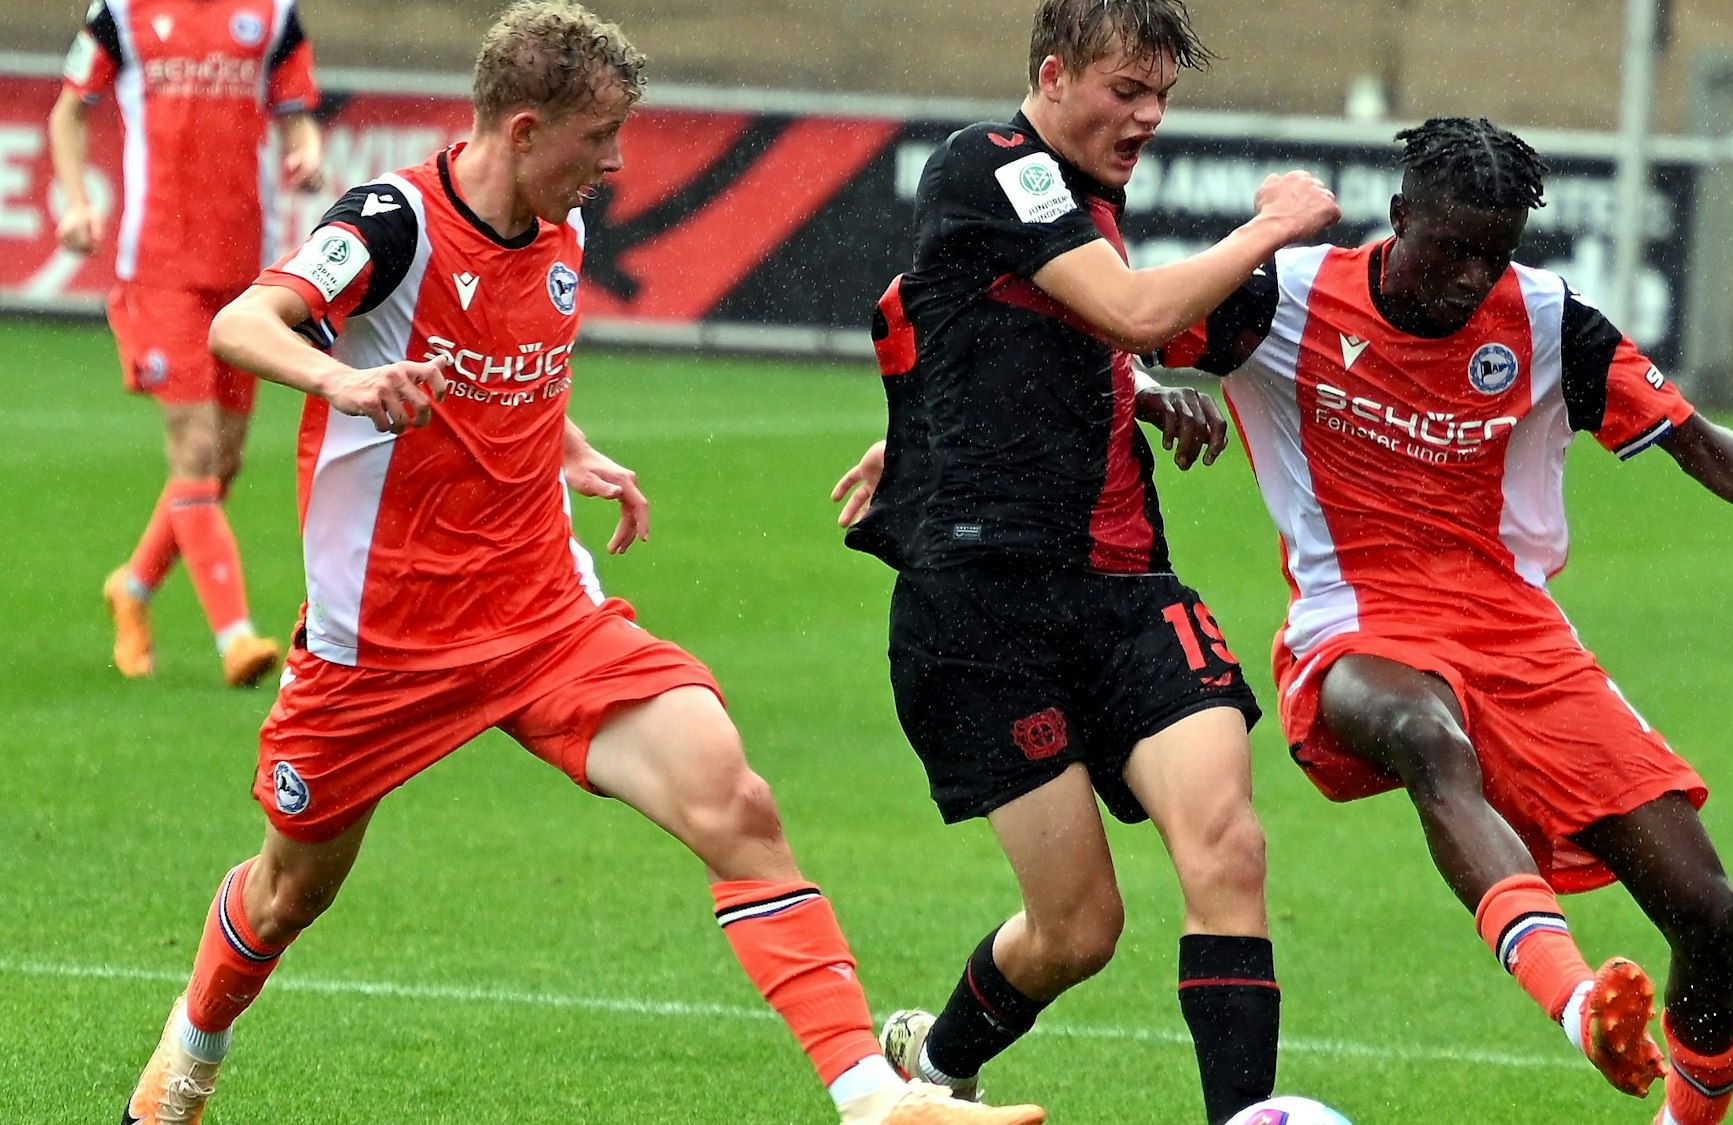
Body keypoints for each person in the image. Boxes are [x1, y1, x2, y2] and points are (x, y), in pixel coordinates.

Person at [112, 5, 1046, 1124]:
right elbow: (244, 323)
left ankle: (870, 1098)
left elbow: (513, 357)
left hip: (543, 617)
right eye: (598, 138)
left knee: (733, 801)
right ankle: (190, 1056)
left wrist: (572, 447)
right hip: (381, 644)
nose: (615, 164)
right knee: (287, 891)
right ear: (520, 128)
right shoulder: (391, 223)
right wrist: (344, 383)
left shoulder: (561, 232)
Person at [1162, 117, 1733, 1123]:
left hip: (1518, 636)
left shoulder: (1547, 323)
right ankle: (1578, 1000)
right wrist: (1152, 388)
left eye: (1492, 253)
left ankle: (1686, 1116)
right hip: (1355, 622)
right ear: (1397, 216)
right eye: (1450, 248)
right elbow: (1107, 318)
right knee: (1428, 742)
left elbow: (1691, 439)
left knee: (1706, 914)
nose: (1470, 278)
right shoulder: (1277, 301)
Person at [828, 2, 1337, 1121]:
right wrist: (1273, 227)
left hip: (1121, 589)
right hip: (983, 611)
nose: (1148, 116)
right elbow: (1131, 309)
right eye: (1125, 90)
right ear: (1053, 75)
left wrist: (1137, 393)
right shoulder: (988, 165)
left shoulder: (1076, 192)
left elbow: (1000, 336)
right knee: (1076, 929)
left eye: (1161, 95)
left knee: (1228, 847)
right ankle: (936, 1064)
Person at [51, 0, 325, 686]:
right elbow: (68, 108)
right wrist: (77, 199)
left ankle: (134, 586)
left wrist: (308, 152)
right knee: (197, 452)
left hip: (247, 272)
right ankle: (235, 637)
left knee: (221, 462)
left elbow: (298, 118)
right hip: (162, 268)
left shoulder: (272, 15)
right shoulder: (121, 11)